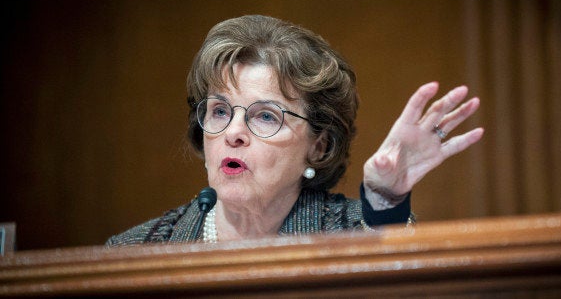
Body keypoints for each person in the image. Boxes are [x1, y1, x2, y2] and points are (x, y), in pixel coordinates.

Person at [106, 15, 483, 246]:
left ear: (318, 147)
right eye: (220, 110)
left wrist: (385, 203)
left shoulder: (351, 233)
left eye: (265, 116)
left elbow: (395, 274)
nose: (233, 131)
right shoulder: (134, 252)